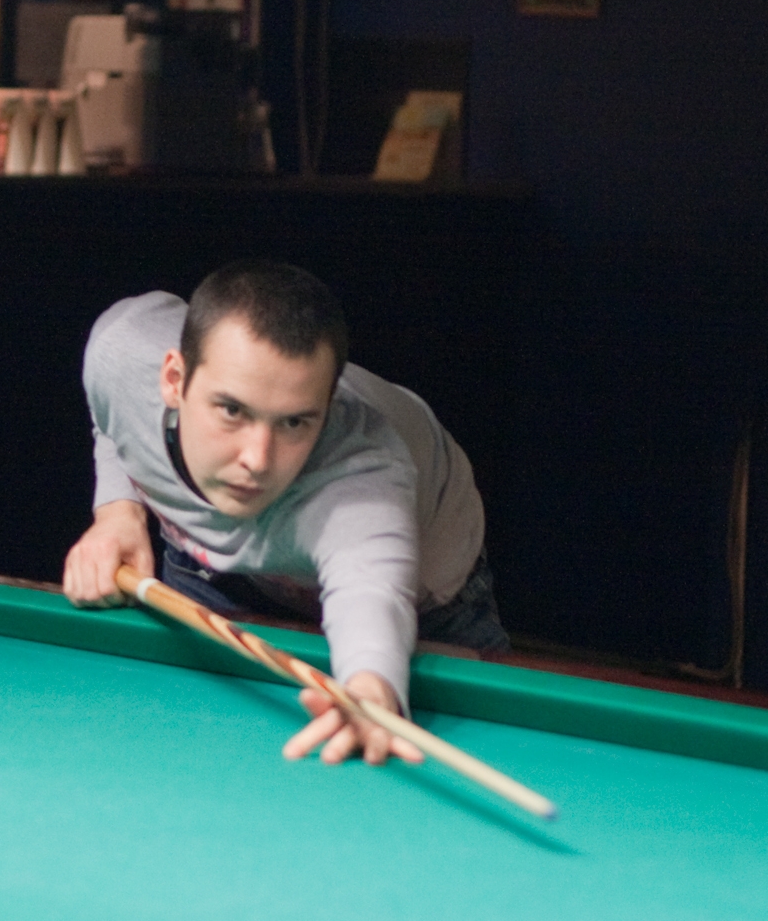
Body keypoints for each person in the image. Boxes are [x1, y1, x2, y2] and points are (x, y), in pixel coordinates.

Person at [64, 261, 507, 768]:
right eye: (232, 410)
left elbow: (371, 591)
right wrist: (117, 513)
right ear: (173, 379)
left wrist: (370, 687)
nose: (257, 460)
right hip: (210, 561)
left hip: (427, 584)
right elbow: (113, 415)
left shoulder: (362, 482)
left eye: (295, 422)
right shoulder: (121, 352)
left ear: (328, 408)